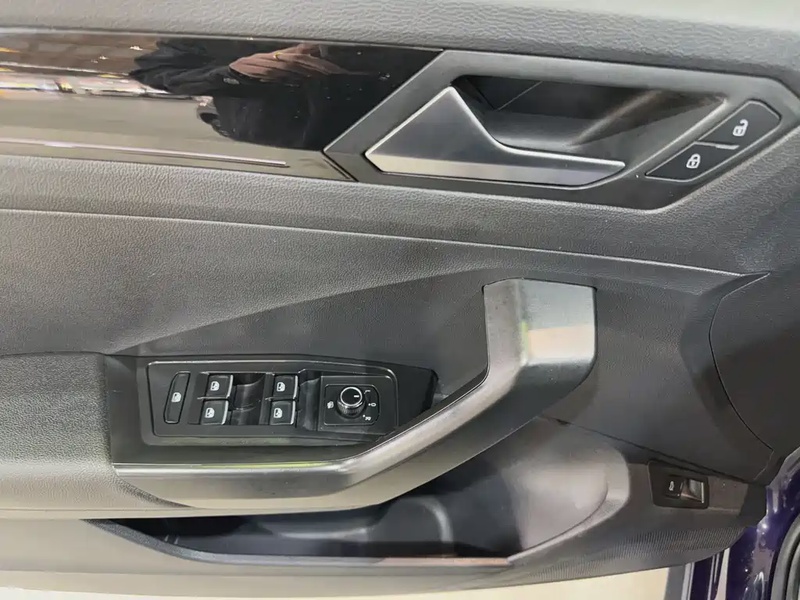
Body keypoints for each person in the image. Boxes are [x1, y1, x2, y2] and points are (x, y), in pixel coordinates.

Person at [130, 39, 425, 148]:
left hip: (390, 139)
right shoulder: (219, 12)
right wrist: (233, 73)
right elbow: (154, 70)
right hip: (269, 149)